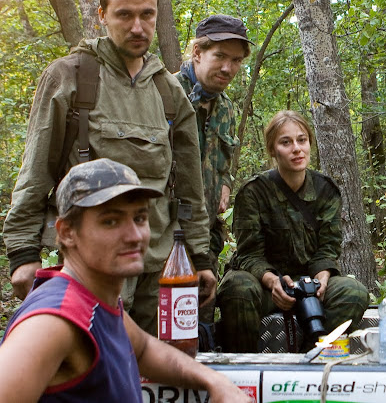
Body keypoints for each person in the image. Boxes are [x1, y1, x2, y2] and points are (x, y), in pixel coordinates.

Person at [3, 0, 214, 335]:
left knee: (155, 378)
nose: (138, 27)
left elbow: (189, 190)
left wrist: (200, 255)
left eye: (147, 15)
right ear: (102, 14)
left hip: (158, 267)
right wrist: (22, 252)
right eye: (124, 15)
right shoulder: (71, 77)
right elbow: (35, 172)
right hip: (87, 266)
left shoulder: (169, 91)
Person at [0, 159, 250, 403]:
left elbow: (144, 349)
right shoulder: (55, 321)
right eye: (111, 221)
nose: (134, 235)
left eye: (139, 218)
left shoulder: (96, 300)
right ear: (67, 232)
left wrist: (215, 381)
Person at [216, 110, 369, 352]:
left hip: (308, 285)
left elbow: (328, 248)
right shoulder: (254, 193)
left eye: (302, 140)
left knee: (354, 292)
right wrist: (272, 281)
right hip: (262, 284)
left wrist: (322, 279)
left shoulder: (325, 190)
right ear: (273, 150)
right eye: (286, 142)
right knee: (238, 288)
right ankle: (244, 367)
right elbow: (249, 255)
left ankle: (313, 356)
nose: (297, 149)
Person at [175, 14, 252, 324]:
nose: (227, 68)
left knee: (200, 324)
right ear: (197, 53)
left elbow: (223, 161)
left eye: (235, 60)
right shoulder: (164, 94)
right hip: (166, 239)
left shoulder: (225, 107)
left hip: (206, 237)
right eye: (219, 56)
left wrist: (225, 183)